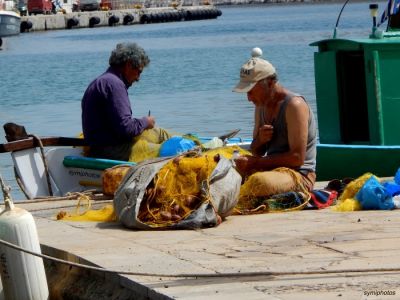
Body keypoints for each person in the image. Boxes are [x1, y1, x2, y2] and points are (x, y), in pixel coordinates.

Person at [232, 48, 317, 194]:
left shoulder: (294, 106)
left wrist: (256, 163)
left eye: (251, 90)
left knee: (259, 182)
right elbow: (257, 151)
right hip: (270, 170)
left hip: (298, 175)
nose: (248, 98)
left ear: (270, 83)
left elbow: (297, 158)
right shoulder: (261, 105)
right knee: (222, 173)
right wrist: (260, 140)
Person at [81, 42, 171, 161]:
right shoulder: (115, 84)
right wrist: (145, 121)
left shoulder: (102, 80)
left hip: (103, 145)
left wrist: (143, 123)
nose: (138, 78)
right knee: (168, 151)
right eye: (138, 72)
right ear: (128, 65)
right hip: (110, 150)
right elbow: (126, 129)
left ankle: (190, 144)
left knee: (159, 133)